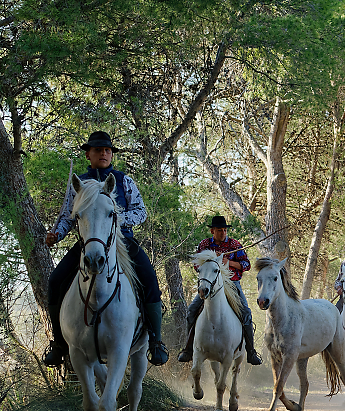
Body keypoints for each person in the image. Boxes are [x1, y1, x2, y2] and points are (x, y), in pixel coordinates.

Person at [43, 131, 169, 366]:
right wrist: (56, 235)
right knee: (55, 281)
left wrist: (115, 219)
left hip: (122, 241)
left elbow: (141, 212)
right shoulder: (78, 184)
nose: (104, 153)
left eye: (107, 150)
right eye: (98, 150)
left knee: (150, 279)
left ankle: (155, 340)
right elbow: (69, 218)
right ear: (88, 154)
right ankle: (59, 343)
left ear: (111, 154)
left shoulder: (123, 181)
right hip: (88, 242)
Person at [177, 215, 262, 365]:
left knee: (246, 313)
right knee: (191, 310)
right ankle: (188, 349)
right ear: (212, 231)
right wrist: (212, 262)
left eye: (224, 230)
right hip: (210, 283)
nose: (223, 233)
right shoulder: (204, 245)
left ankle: (251, 351)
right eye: (219, 230)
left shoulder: (235, 245)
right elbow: (197, 265)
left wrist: (228, 262)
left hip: (231, 283)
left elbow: (246, 265)